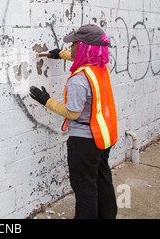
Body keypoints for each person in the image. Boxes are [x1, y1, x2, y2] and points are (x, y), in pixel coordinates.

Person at [29, 24, 118, 219]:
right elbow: (80, 58)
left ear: (85, 47)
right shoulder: (101, 67)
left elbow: (73, 113)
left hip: (85, 142)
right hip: (105, 135)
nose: (71, 48)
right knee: (102, 180)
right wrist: (59, 55)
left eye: (74, 44)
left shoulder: (79, 79)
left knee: (85, 188)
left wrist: (47, 101)